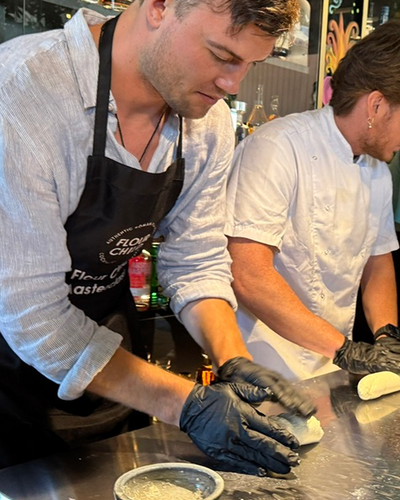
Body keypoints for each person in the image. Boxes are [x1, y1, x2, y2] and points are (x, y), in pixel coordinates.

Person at [0, 0, 316, 472]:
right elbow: (32, 315)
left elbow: (194, 259)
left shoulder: (208, 124)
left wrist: (232, 359)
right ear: (160, 6)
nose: (233, 85)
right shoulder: (24, 96)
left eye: (251, 64)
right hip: (8, 383)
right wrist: (184, 405)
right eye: (223, 56)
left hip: (110, 362)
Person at [225, 20, 400, 382]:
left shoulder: (377, 172)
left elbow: (377, 263)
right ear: (377, 105)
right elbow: (248, 275)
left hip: (330, 366)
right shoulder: (279, 147)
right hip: (263, 366)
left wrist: (387, 336)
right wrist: (344, 350)